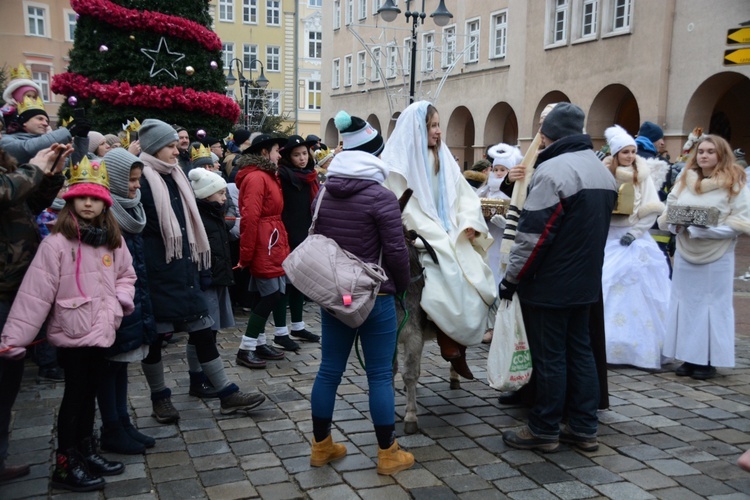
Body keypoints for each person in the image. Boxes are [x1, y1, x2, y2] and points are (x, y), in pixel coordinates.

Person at [0, 155, 136, 492]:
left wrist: (120, 302)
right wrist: (14, 339)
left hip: (103, 330)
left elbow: (126, 275)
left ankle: (85, 451)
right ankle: (65, 462)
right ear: (70, 200)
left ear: (104, 204)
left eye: (95, 198)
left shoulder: (111, 240)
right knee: (75, 397)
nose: (88, 203)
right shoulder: (56, 244)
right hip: (72, 332)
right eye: (82, 197)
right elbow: (35, 296)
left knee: (90, 393)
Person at [500, 103, 617, 453]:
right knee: (580, 353)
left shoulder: (552, 171)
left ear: (549, 135)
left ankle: (544, 428)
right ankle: (583, 427)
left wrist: (511, 280)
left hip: (551, 285)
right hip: (585, 283)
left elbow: (533, 237)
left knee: (551, 357)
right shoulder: (600, 170)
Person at [137, 119, 265, 421]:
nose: (176, 149)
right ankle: (160, 397)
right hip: (157, 269)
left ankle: (225, 392)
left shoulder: (176, 175)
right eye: (169, 146)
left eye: (174, 144)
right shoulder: (143, 177)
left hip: (185, 266)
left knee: (203, 329)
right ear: (155, 147)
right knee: (155, 336)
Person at [309, 110, 413, 475]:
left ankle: (321, 446)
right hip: (376, 296)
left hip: (334, 297)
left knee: (328, 370)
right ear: (372, 154)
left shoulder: (322, 193)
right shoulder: (381, 197)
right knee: (380, 375)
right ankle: (388, 453)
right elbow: (397, 252)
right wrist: (400, 286)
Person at [382, 101, 496, 380]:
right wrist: (423, 230)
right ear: (418, 130)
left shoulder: (443, 158)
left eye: (438, 125)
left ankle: (458, 343)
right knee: (447, 267)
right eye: (432, 126)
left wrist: (469, 223)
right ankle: (449, 340)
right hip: (419, 230)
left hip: (450, 228)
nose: (438, 132)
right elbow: (398, 204)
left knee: (479, 273)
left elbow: (464, 196)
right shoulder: (397, 164)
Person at [0, 122, 70, 484]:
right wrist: (36, 168)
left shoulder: (8, 164)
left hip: (14, 287)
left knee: (7, 379)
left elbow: (29, 202)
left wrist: (52, 176)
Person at [657, 135, 750, 380]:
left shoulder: (734, 181)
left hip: (716, 255)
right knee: (686, 303)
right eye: (701, 151)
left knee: (711, 305)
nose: (704, 155)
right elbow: (669, 211)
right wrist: (677, 227)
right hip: (687, 251)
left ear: (721, 154)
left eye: (710, 151)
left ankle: (707, 359)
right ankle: (688, 356)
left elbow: (741, 220)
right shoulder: (685, 180)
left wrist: (710, 230)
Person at [96, 148, 158, 455]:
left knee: (121, 365)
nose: (136, 187)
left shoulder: (130, 209)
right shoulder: (102, 214)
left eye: (138, 180)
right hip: (109, 304)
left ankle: (123, 422)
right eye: (131, 181)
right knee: (109, 368)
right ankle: (111, 426)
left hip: (130, 299)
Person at [601, 125, 670, 369]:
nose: (630, 156)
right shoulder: (605, 174)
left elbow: (651, 207)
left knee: (639, 295)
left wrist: (635, 233)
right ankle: (608, 346)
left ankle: (639, 348)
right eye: (625, 152)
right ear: (616, 153)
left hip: (634, 240)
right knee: (606, 289)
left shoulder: (643, 175)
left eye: (633, 151)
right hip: (609, 238)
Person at [234, 133, 295, 368]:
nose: (280, 154)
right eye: (276, 150)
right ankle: (246, 347)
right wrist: (246, 254)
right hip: (264, 241)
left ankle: (258, 342)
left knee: (269, 293)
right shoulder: (258, 177)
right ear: (263, 153)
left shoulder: (267, 175)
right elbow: (249, 218)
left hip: (271, 238)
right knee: (270, 294)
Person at [273, 135, 321, 344]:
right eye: (296, 155)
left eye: (304, 154)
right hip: (286, 233)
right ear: (287, 157)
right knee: (285, 283)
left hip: (305, 232)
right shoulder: (282, 175)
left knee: (300, 281)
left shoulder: (310, 176)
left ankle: (298, 326)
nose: (302, 158)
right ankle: (281, 331)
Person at [476, 144, 519, 344]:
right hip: (487, 244)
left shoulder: (515, 193)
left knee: (500, 282)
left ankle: (498, 327)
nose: (498, 173)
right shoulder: (484, 192)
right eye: (495, 169)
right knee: (487, 283)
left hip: (505, 245)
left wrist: (508, 224)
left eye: (503, 170)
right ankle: (485, 324)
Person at [189, 168, 236, 351]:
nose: (225, 198)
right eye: (220, 193)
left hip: (217, 275)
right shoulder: (201, 217)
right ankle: (200, 371)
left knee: (213, 327)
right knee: (204, 329)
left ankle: (206, 367)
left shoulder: (215, 214)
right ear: (207, 195)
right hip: (208, 277)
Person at [0, 94, 89, 166]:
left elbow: (74, 165)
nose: (46, 124)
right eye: (40, 119)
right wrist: (68, 131)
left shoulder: (47, 144)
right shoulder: (5, 140)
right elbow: (27, 148)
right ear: (24, 122)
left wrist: (81, 138)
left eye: (47, 121)